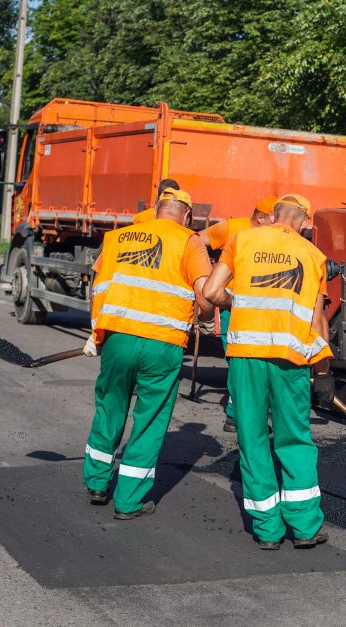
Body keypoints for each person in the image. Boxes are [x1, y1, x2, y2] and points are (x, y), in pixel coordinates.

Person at [202, 193, 334, 550]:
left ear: (272, 215)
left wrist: (237, 301)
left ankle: (267, 531)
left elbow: (212, 292)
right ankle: (305, 527)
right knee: (294, 439)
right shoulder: (313, 256)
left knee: (253, 437)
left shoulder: (241, 239)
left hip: (245, 356)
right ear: (305, 222)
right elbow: (318, 321)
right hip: (290, 360)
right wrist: (323, 373)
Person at [82, 187, 214, 519]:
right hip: (162, 343)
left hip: (119, 338)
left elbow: (98, 288)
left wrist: (96, 333)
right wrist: (210, 321)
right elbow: (204, 293)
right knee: (150, 419)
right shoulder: (189, 241)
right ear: (185, 215)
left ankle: (97, 483)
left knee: (110, 407)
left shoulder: (118, 238)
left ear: (157, 210)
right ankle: (129, 502)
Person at [197, 195, 277, 432]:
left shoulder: (276, 237)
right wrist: (206, 271)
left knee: (257, 360)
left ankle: (246, 412)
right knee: (237, 361)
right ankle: (236, 415)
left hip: (263, 307)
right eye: (275, 217)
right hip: (233, 305)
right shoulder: (232, 227)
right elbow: (195, 242)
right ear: (260, 218)